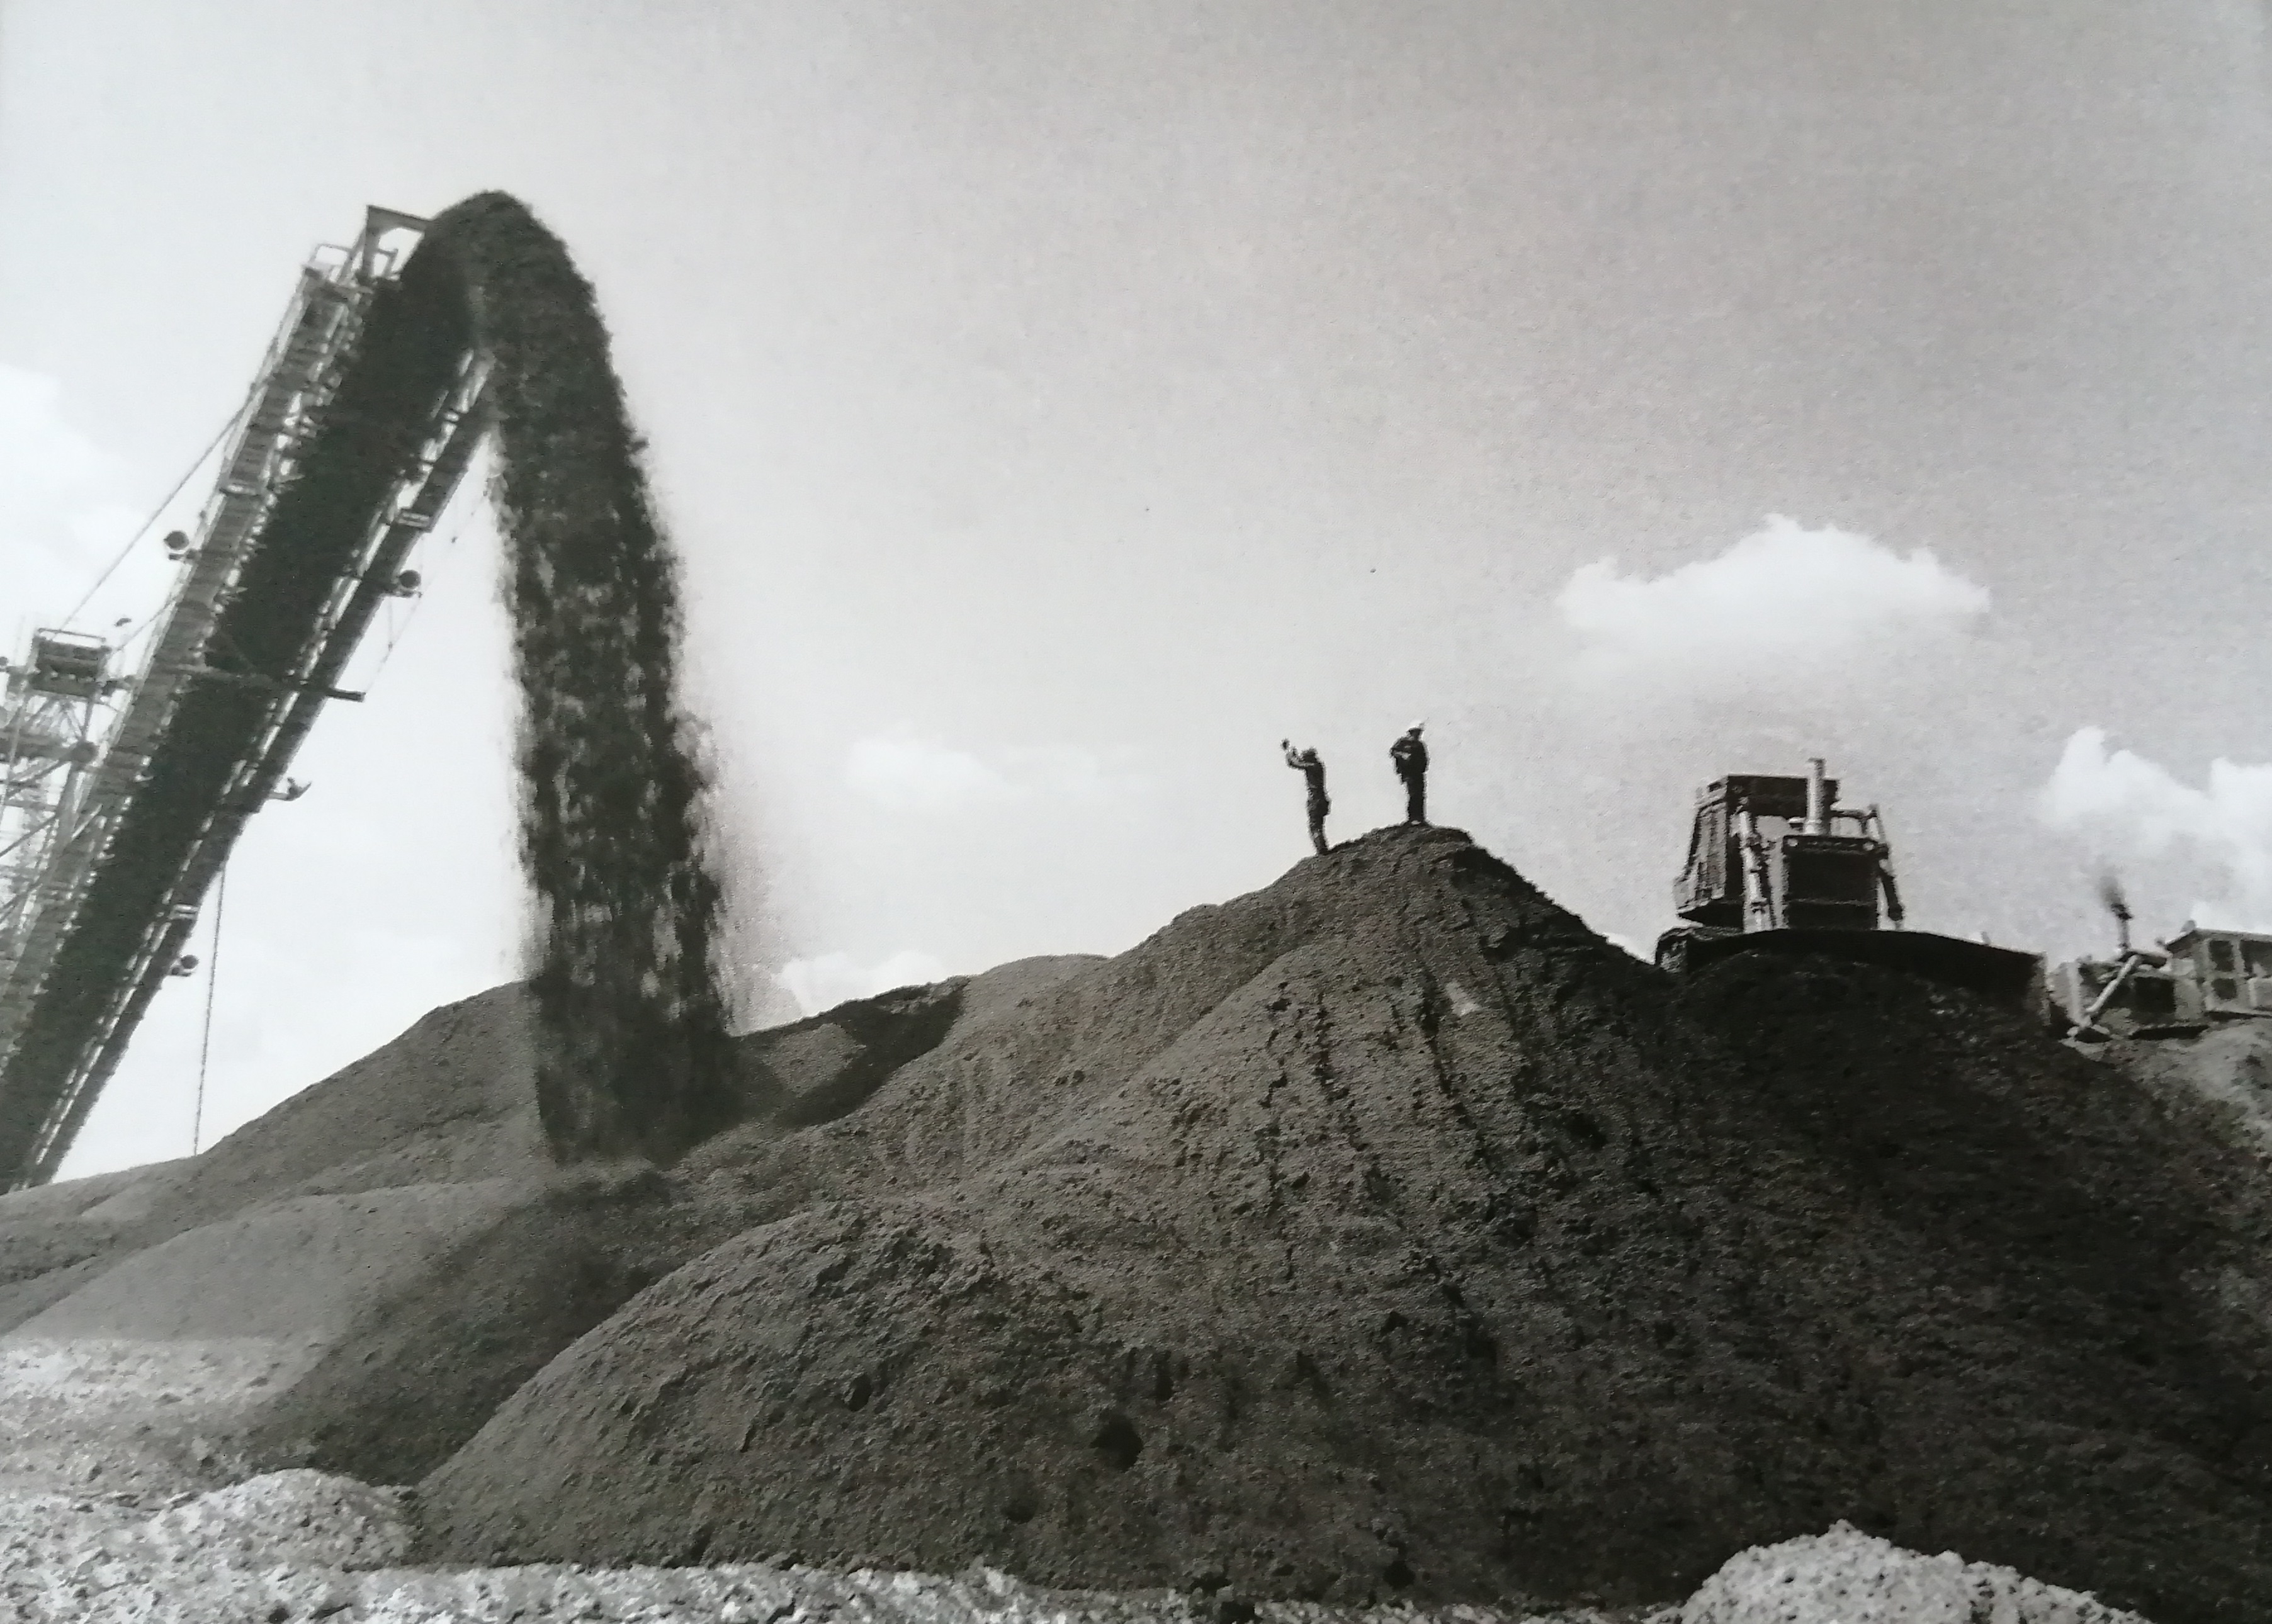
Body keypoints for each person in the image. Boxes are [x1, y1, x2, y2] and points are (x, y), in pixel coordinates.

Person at [1281, 739, 1330, 855]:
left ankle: (1322, 850)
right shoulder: (1318, 765)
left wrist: (1289, 753)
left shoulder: (1312, 766)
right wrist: (1294, 754)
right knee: (1318, 826)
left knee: (1315, 827)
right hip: (1322, 799)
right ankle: (1323, 848)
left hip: (1315, 801)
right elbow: (1299, 762)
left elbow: (1295, 763)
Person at [1391, 722, 1428, 825]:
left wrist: (1423, 768)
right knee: (1413, 794)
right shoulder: (1403, 742)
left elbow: (1425, 758)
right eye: (1417, 732)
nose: (1419, 735)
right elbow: (1393, 751)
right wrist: (1403, 755)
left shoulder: (1420, 745)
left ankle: (1421, 818)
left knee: (1420, 795)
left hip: (1419, 773)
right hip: (1409, 773)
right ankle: (1413, 818)